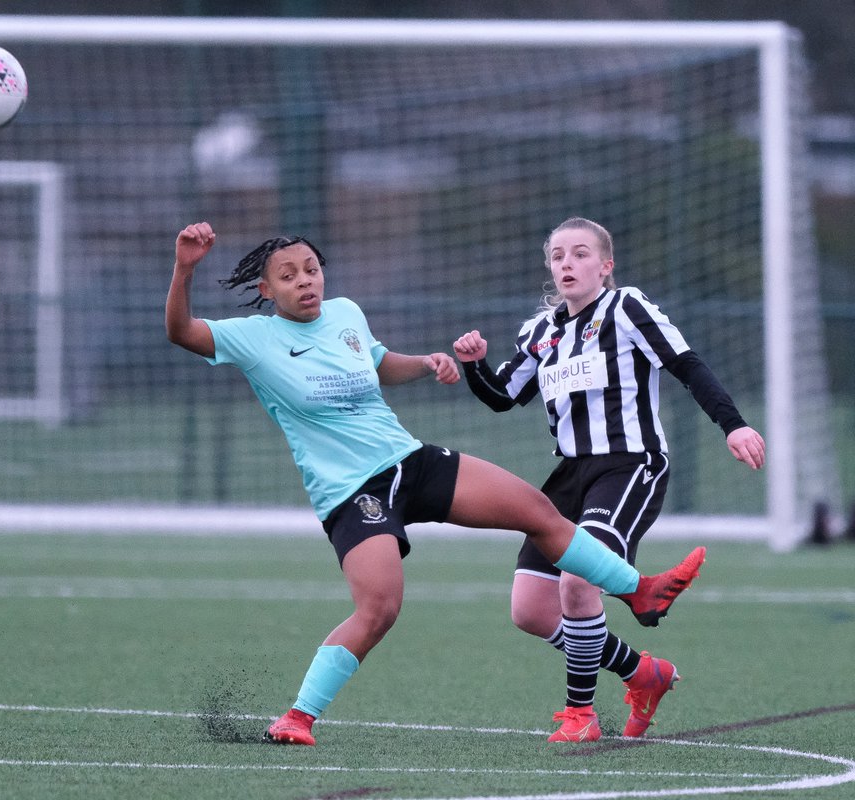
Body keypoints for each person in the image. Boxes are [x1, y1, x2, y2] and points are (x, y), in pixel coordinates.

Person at [165, 221, 708, 747]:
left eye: (311, 269)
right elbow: (182, 332)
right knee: (379, 609)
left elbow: (375, 363)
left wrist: (425, 364)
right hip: (355, 494)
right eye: (288, 275)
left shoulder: (345, 314)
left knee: (539, 511)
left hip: (411, 463)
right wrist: (184, 270)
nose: (305, 280)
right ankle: (297, 717)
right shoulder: (253, 338)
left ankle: (639, 590)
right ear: (266, 289)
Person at [453, 216, 765, 742]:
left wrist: (733, 426)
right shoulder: (542, 330)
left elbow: (687, 364)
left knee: (579, 579)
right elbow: (504, 396)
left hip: (629, 463)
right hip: (570, 473)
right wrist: (473, 364)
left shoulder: (627, 308)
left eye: (579, 254)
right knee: (530, 609)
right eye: (558, 256)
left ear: (605, 265)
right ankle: (643, 675)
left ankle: (581, 716)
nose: (567, 264)